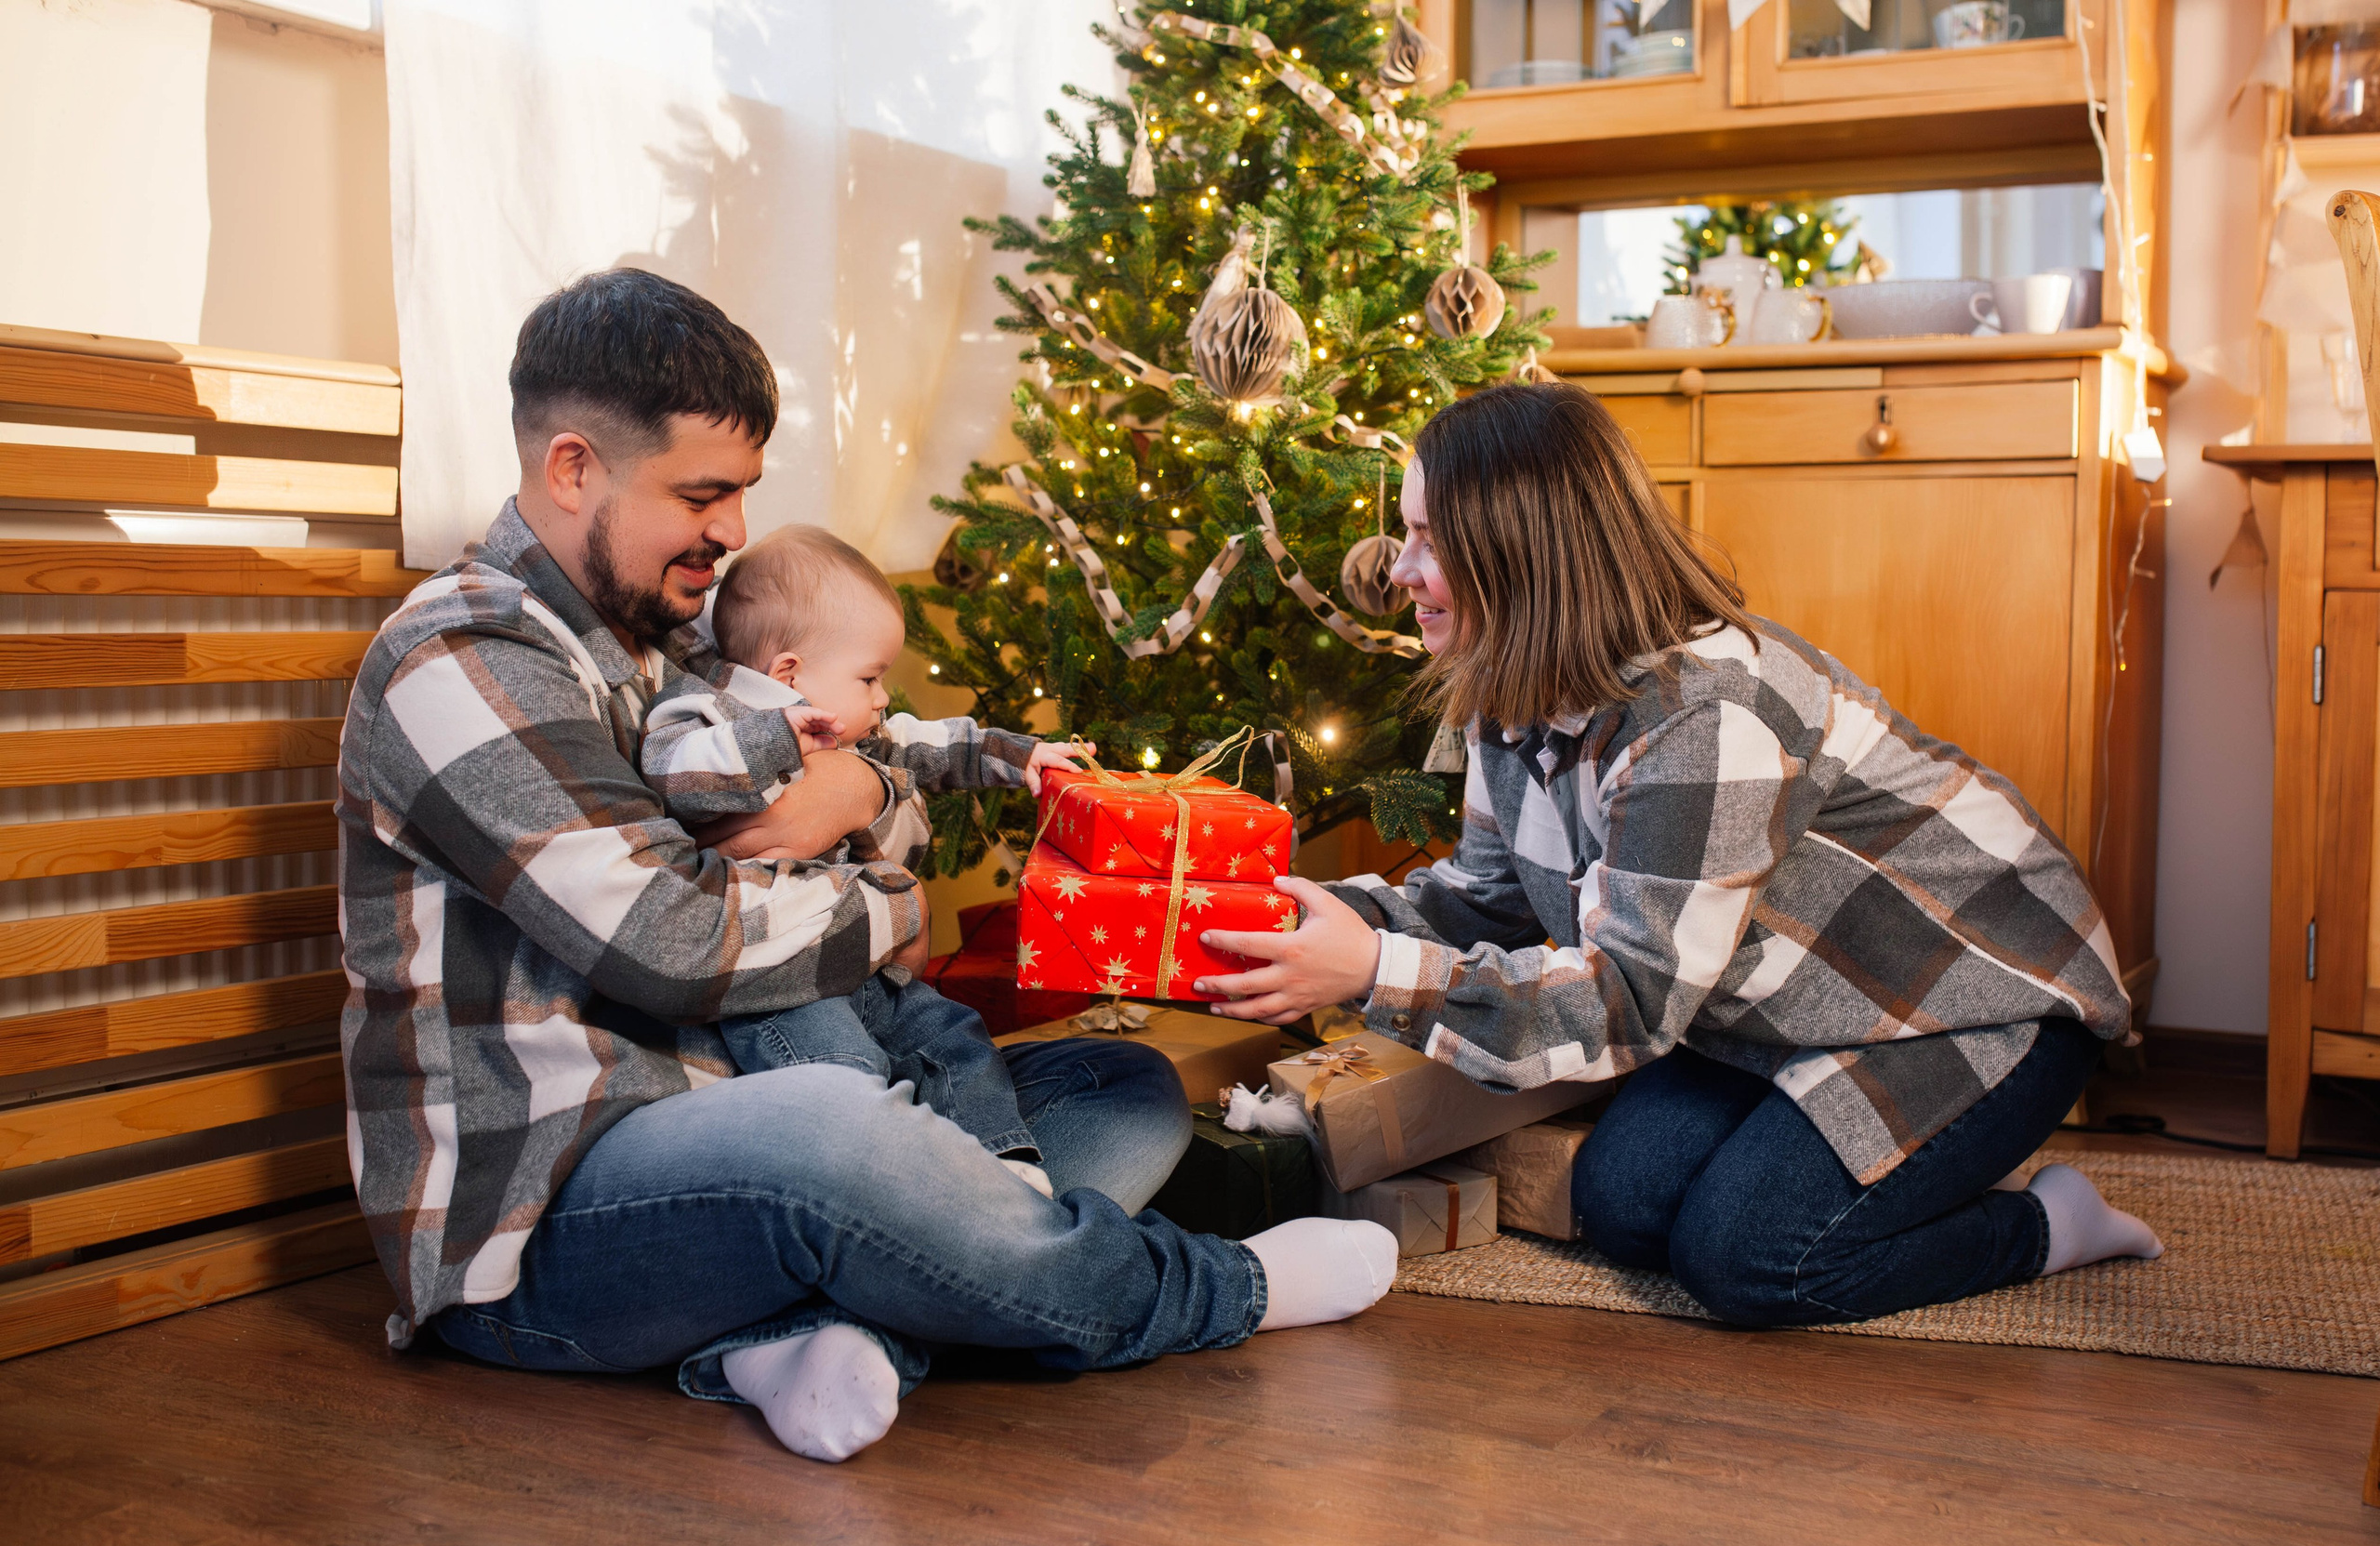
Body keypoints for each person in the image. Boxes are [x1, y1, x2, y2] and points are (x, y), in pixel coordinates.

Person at [337, 267, 1395, 1464]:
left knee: (1118, 1090)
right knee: (843, 1129)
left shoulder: (685, 647)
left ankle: (818, 1338)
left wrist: (868, 790)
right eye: (701, 493)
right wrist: (885, 897)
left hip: (753, 1110)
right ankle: (1211, 1291)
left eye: (741, 492)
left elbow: (873, 799)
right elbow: (676, 950)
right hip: (546, 1218)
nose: (732, 532)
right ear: (574, 466)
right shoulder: (463, 660)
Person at [1192, 380, 2162, 1328]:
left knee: (1749, 1261)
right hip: (1771, 1002)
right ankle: (1844, 1148)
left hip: (1970, 996)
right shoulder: (1507, 685)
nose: (1396, 569)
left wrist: (1370, 971)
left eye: (1427, 540)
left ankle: (2049, 1224)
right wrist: (1284, 916)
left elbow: (1627, 1004)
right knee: (1624, 1208)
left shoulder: (1700, 718)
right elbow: (1486, 899)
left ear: (1523, 553)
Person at [640, 523, 1089, 1188]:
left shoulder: (856, 729)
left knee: (950, 1035)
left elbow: (929, 744)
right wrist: (775, 738)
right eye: (871, 677)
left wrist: (1017, 754)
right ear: (789, 672)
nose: (882, 698)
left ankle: (1005, 1169)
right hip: (780, 980)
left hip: (864, 958)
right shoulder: (708, 709)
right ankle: (892, 1194)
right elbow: (672, 771)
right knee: (841, 1075)